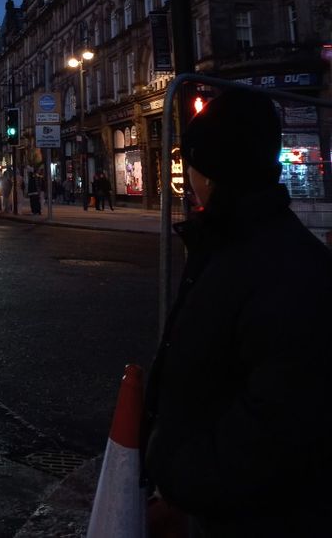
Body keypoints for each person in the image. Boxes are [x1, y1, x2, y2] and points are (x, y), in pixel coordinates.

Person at [141, 87, 332, 537]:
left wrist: (185, 485)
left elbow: (277, 426)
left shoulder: (281, 266)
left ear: (212, 167)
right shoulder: (229, 243)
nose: (188, 176)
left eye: (192, 161)